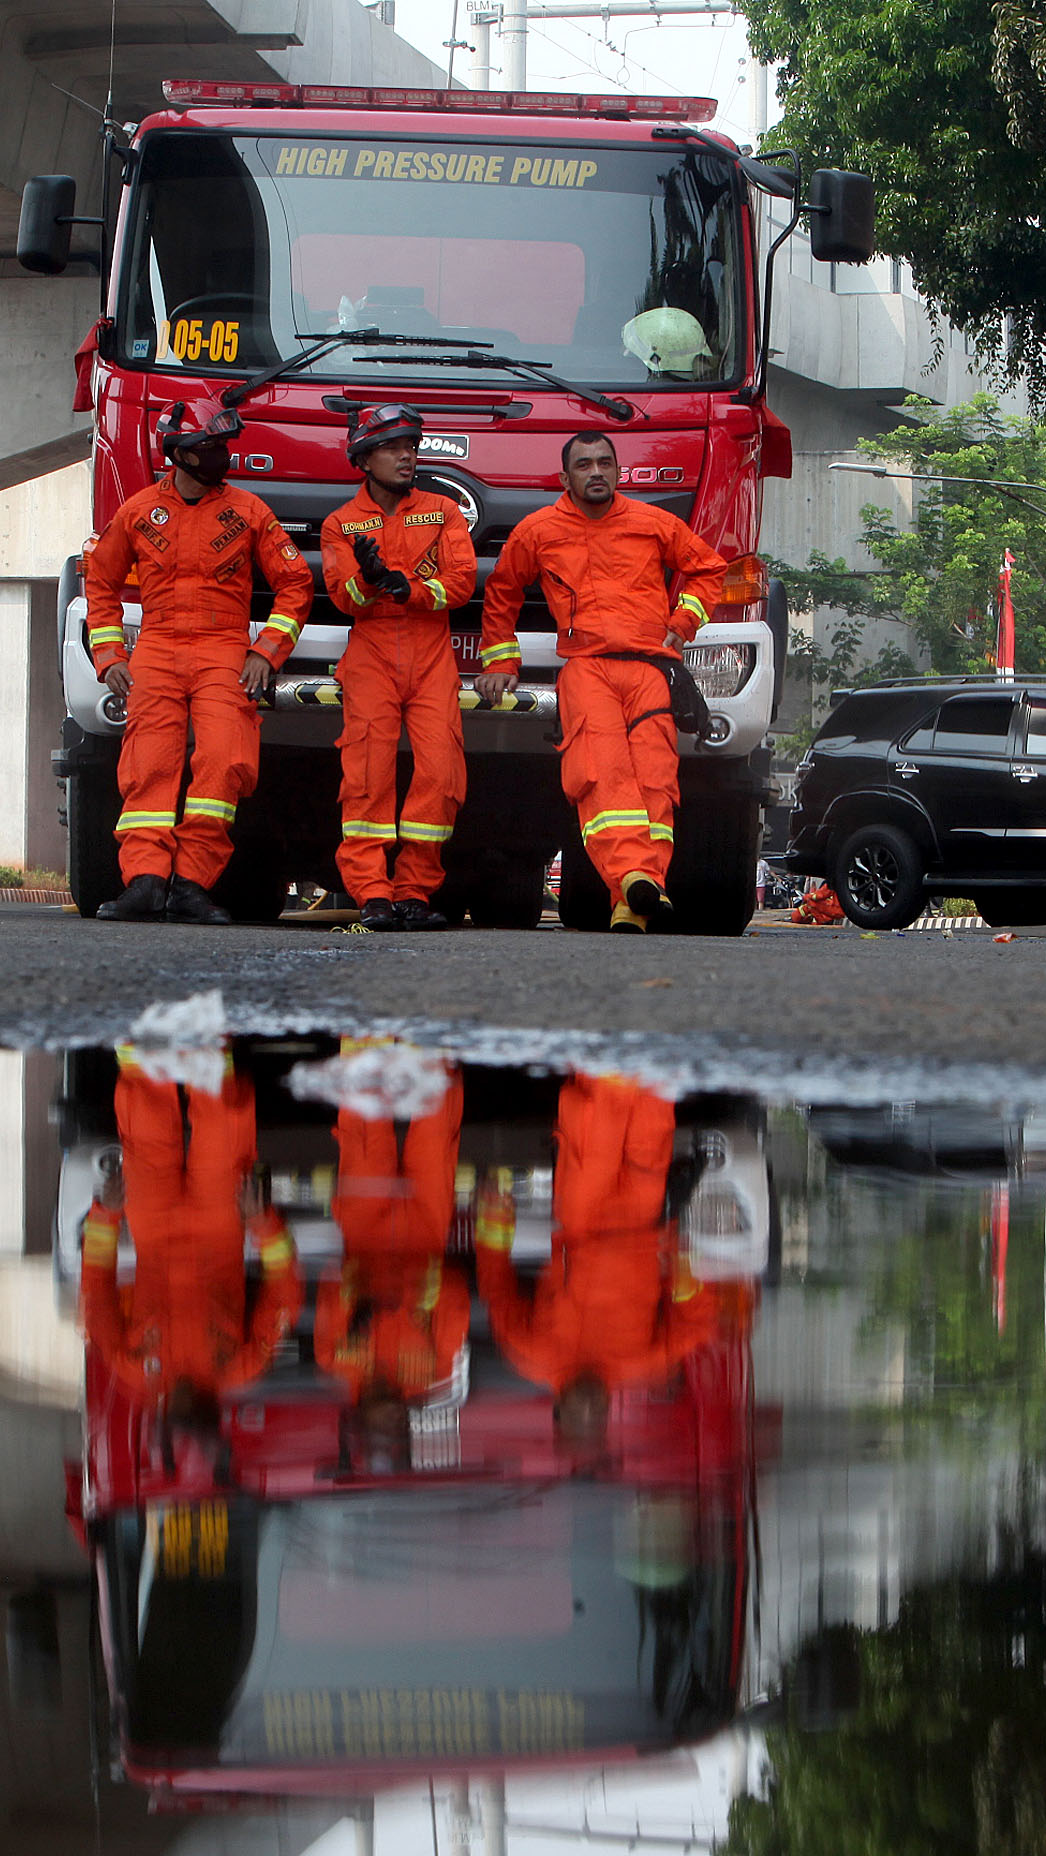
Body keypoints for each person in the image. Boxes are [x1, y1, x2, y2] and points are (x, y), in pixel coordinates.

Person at [477, 432, 728, 932]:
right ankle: (637, 878)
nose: (596, 472)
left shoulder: (652, 523)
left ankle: (635, 897)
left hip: (649, 670)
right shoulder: (538, 530)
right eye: (584, 464)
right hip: (587, 668)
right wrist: (501, 663)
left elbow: (709, 570)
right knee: (601, 772)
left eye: (605, 463)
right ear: (565, 477)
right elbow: (501, 592)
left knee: (656, 778)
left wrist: (682, 624)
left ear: (618, 472)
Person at [82, 398, 314, 924]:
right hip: (158, 650)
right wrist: (109, 654)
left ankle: (192, 884)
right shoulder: (139, 511)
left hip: (224, 651)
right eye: (210, 448)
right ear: (180, 455)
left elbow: (295, 584)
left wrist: (266, 652)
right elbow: (100, 582)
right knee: (148, 768)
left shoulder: (250, 512)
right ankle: (144, 882)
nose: (221, 457)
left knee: (225, 762)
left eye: (221, 447)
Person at [474, 1072, 750, 1469]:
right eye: (597, 1418)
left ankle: (607, 1045)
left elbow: (496, 1284)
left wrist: (496, 1212)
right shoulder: (641, 1365)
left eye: (577, 1417)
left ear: (557, 1410)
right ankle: (651, 1053)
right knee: (652, 1118)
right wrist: (676, 1259)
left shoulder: (530, 1355)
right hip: (643, 1217)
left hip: (581, 1218)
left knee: (596, 1122)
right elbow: (697, 1322)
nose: (589, 1408)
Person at [79, 1042, 304, 1480]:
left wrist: (105, 1215)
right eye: (192, 1416)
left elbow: (95, 1291)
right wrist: (262, 1224)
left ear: (163, 1420)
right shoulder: (242, 1366)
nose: (181, 1405)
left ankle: (142, 1039)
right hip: (220, 1225)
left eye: (175, 1417)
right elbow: (285, 1291)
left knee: (145, 1122)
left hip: (152, 1223)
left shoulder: (131, 1367)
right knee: (222, 1126)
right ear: (209, 1417)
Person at [317, 406, 479, 932]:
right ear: (363, 458)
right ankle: (372, 894)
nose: (407, 455)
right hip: (372, 655)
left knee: (440, 773)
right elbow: (344, 599)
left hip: (432, 654)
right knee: (366, 776)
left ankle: (414, 891)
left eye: (412, 444)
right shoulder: (340, 524)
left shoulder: (443, 510)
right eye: (393, 447)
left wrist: (408, 588)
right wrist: (368, 579)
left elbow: (461, 581)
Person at [315, 1054, 474, 1469]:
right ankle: (433, 1045)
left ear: (359, 1423)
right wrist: (414, 1298)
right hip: (426, 1228)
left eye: (379, 1428)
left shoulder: (334, 1359)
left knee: (363, 1130)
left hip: (363, 1227)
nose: (390, 1418)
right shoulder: (435, 1368)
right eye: (396, 1426)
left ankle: (362, 1045)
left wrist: (357, 1303)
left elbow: (331, 1285)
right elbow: (457, 1297)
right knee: (437, 1127)